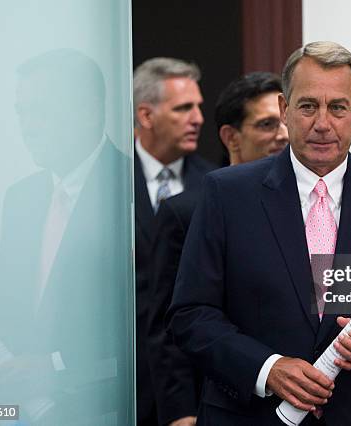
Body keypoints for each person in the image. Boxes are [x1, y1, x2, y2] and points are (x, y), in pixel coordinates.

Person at [168, 41, 351, 425]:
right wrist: (268, 368)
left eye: (337, 107)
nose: (322, 123)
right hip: (250, 415)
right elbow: (191, 314)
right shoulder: (227, 194)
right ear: (285, 109)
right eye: (307, 106)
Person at [0, 49, 131, 424]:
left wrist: (53, 365)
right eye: (22, 111)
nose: (27, 126)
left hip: (103, 406)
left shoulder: (130, 190)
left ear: (88, 110)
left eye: (41, 111)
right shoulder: (19, 197)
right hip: (18, 406)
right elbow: (6, 309)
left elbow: (142, 325)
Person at [146, 71, 289, 426]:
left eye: (284, 122)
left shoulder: (304, 205)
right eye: (267, 124)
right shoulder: (187, 211)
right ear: (231, 137)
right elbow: (169, 323)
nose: (283, 135)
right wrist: (181, 411)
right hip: (217, 402)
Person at [132, 57, 216, 425]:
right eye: (183, 107)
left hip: (192, 388)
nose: (198, 118)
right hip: (123, 377)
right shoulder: (103, 179)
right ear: (146, 116)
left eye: (198, 106)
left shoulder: (216, 185)